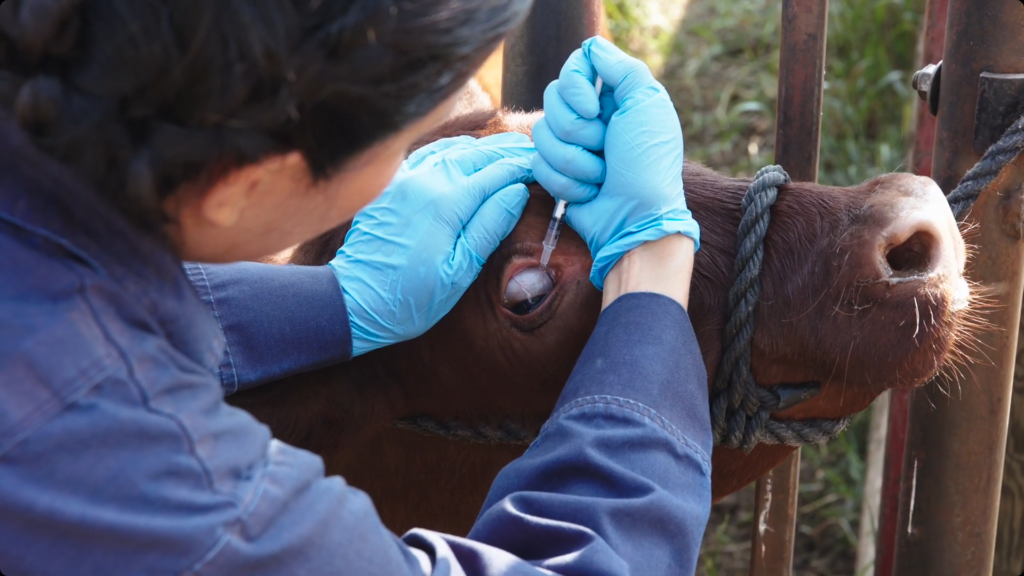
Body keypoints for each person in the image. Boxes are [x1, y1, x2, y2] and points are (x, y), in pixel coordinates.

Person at [0, 1, 710, 574]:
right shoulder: (190, 503)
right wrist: (651, 270)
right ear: (242, 185)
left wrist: (334, 304)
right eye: (407, 140)